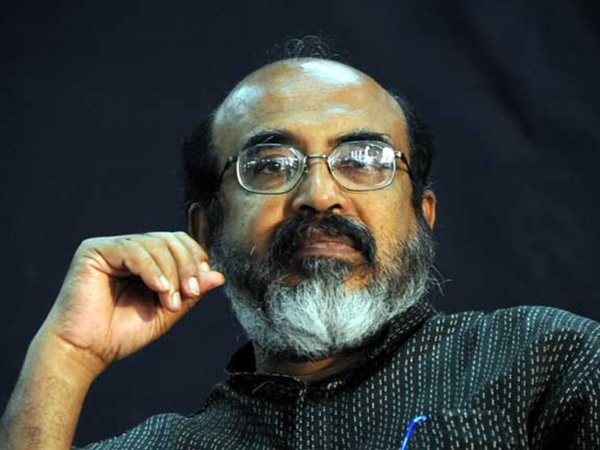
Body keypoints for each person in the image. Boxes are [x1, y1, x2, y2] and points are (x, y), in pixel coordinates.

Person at [1, 51, 599, 450]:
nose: (319, 195)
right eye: (270, 165)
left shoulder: (549, 363)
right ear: (205, 231)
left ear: (423, 215)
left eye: (363, 160)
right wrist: (66, 356)